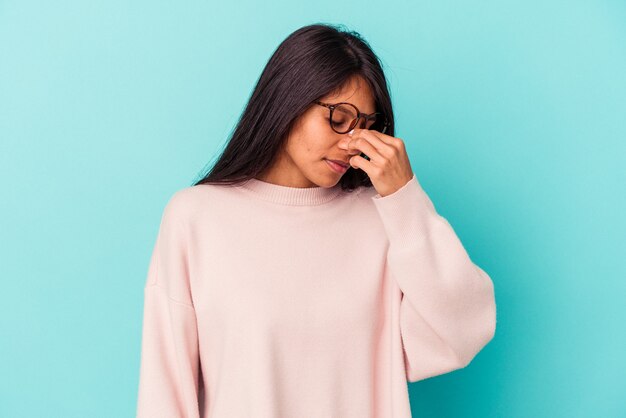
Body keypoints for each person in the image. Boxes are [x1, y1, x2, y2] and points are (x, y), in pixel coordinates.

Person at [135, 23, 496, 418]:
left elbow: (463, 333)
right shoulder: (197, 218)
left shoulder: (382, 220)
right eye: (339, 118)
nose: (351, 141)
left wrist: (404, 198)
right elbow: (165, 395)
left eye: (366, 126)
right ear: (288, 101)